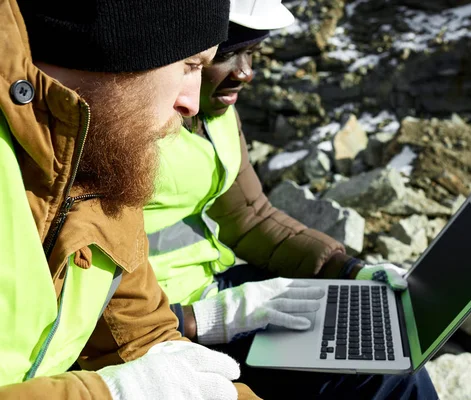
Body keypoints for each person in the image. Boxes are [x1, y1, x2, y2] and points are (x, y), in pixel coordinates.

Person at [143, 1, 439, 398]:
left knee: (374, 336)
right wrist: (195, 318)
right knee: (383, 377)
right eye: (228, 55)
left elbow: (249, 216)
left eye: (253, 54)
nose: (245, 73)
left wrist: (346, 269)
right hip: (167, 320)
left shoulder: (217, 115)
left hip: (218, 289)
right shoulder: (133, 128)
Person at [0, 0, 261, 399]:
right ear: (122, 43)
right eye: (190, 65)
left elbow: (143, 337)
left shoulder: (101, 151)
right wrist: (106, 394)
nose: (191, 103)